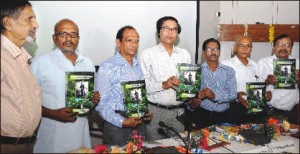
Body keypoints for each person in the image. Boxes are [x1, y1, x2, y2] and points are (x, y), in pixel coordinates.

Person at [30, 19, 100, 153]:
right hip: (50, 138)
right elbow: (27, 104)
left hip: (81, 135)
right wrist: (52, 113)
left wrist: (94, 99)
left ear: (78, 38)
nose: (69, 38)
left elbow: (87, 100)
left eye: (73, 34)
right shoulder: (39, 63)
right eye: (63, 34)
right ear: (54, 38)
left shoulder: (87, 63)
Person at [95, 25, 153, 146]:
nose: (134, 45)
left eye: (137, 41)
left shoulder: (138, 67)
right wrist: (122, 121)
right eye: (129, 40)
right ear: (118, 42)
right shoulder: (107, 67)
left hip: (138, 122)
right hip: (117, 125)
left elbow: (139, 96)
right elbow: (101, 104)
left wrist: (145, 112)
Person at [138, 16, 191, 140]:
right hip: (156, 111)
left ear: (177, 33)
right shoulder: (147, 54)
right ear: (159, 32)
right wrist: (164, 84)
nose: (170, 32)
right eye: (166, 28)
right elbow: (143, 87)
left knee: (179, 148)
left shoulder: (185, 54)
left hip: (179, 112)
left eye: (174, 29)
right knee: (155, 149)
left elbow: (188, 84)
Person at [1, 0, 41, 153]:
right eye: (28, 19)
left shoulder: (22, 57)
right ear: (8, 23)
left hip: (26, 145)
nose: (36, 25)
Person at [186, 38, 237, 129]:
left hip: (225, 116)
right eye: (209, 49)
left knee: (225, 142)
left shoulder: (229, 71)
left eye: (216, 49)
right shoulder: (195, 71)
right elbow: (188, 95)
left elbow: (233, 94)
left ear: (220, 52)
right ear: (204, 53)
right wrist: (191, 104)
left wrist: (214, 95)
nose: (213, 52)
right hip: (202, 115)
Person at [221, 36, 272, 124]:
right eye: (241, 45)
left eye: (248, 46)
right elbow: (219, 89)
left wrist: (264, 94)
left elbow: (259, 87)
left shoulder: (256, 66)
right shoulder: (225, 65)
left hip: (254, 109)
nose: (245, 48)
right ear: (235, 48)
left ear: (251, 49)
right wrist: (235, 96)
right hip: (233, 109)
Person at [257, 34, 299, 124]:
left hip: (292, 112)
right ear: (274, 47)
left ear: (291, 48)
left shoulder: (297, 63)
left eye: (287, 45)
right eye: (279, 45)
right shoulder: (263, 63)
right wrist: (266, 81)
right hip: (270, 111)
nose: (283, 48)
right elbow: (255, 90)